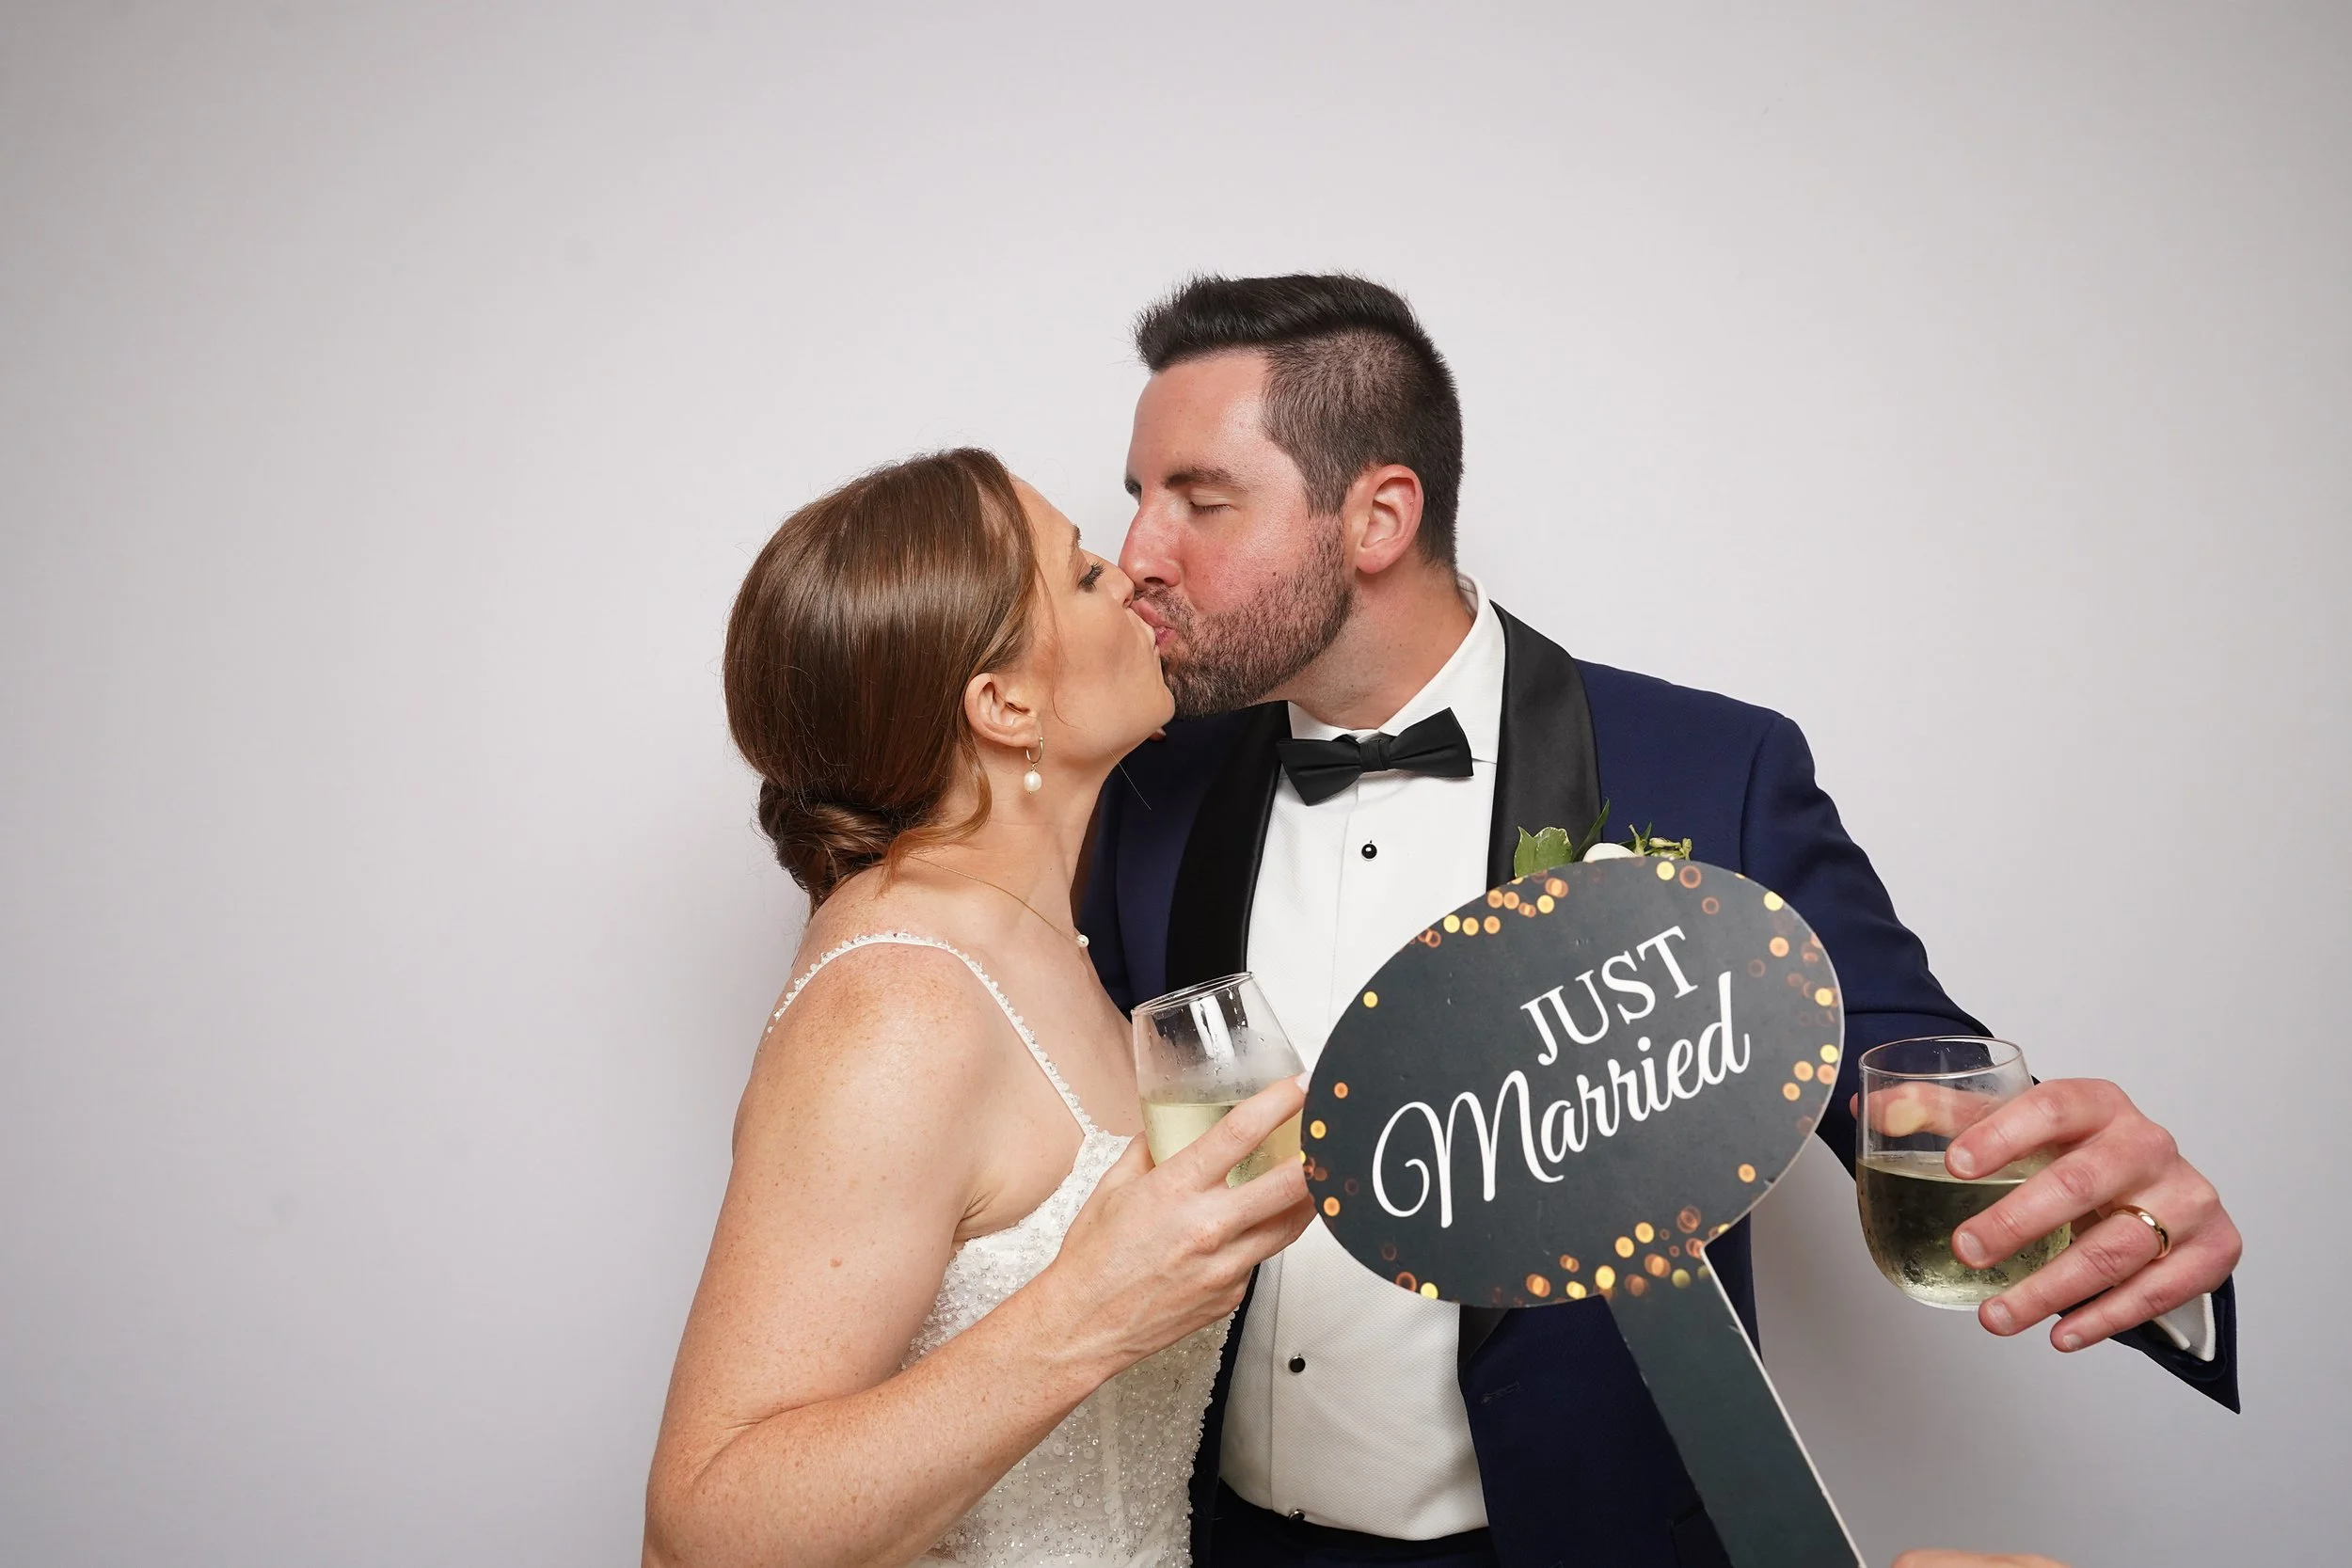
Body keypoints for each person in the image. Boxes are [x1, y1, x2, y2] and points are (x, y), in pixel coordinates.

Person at [1078, 275, 2244, 1568]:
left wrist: (2127, 1211)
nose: (1138, 552)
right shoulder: (1143, 790)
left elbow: (1912, 1095)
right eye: (1137, 497)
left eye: (1198, 498)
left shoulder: (1708, 774)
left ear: (1378, 516)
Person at [644, 449, 1315, 1568]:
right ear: (1003, 704)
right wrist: (1090, 1307)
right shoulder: (902, 997)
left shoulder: (1050, 949)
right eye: (1086, 574)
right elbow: (701, 1533)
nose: (1135, 572)